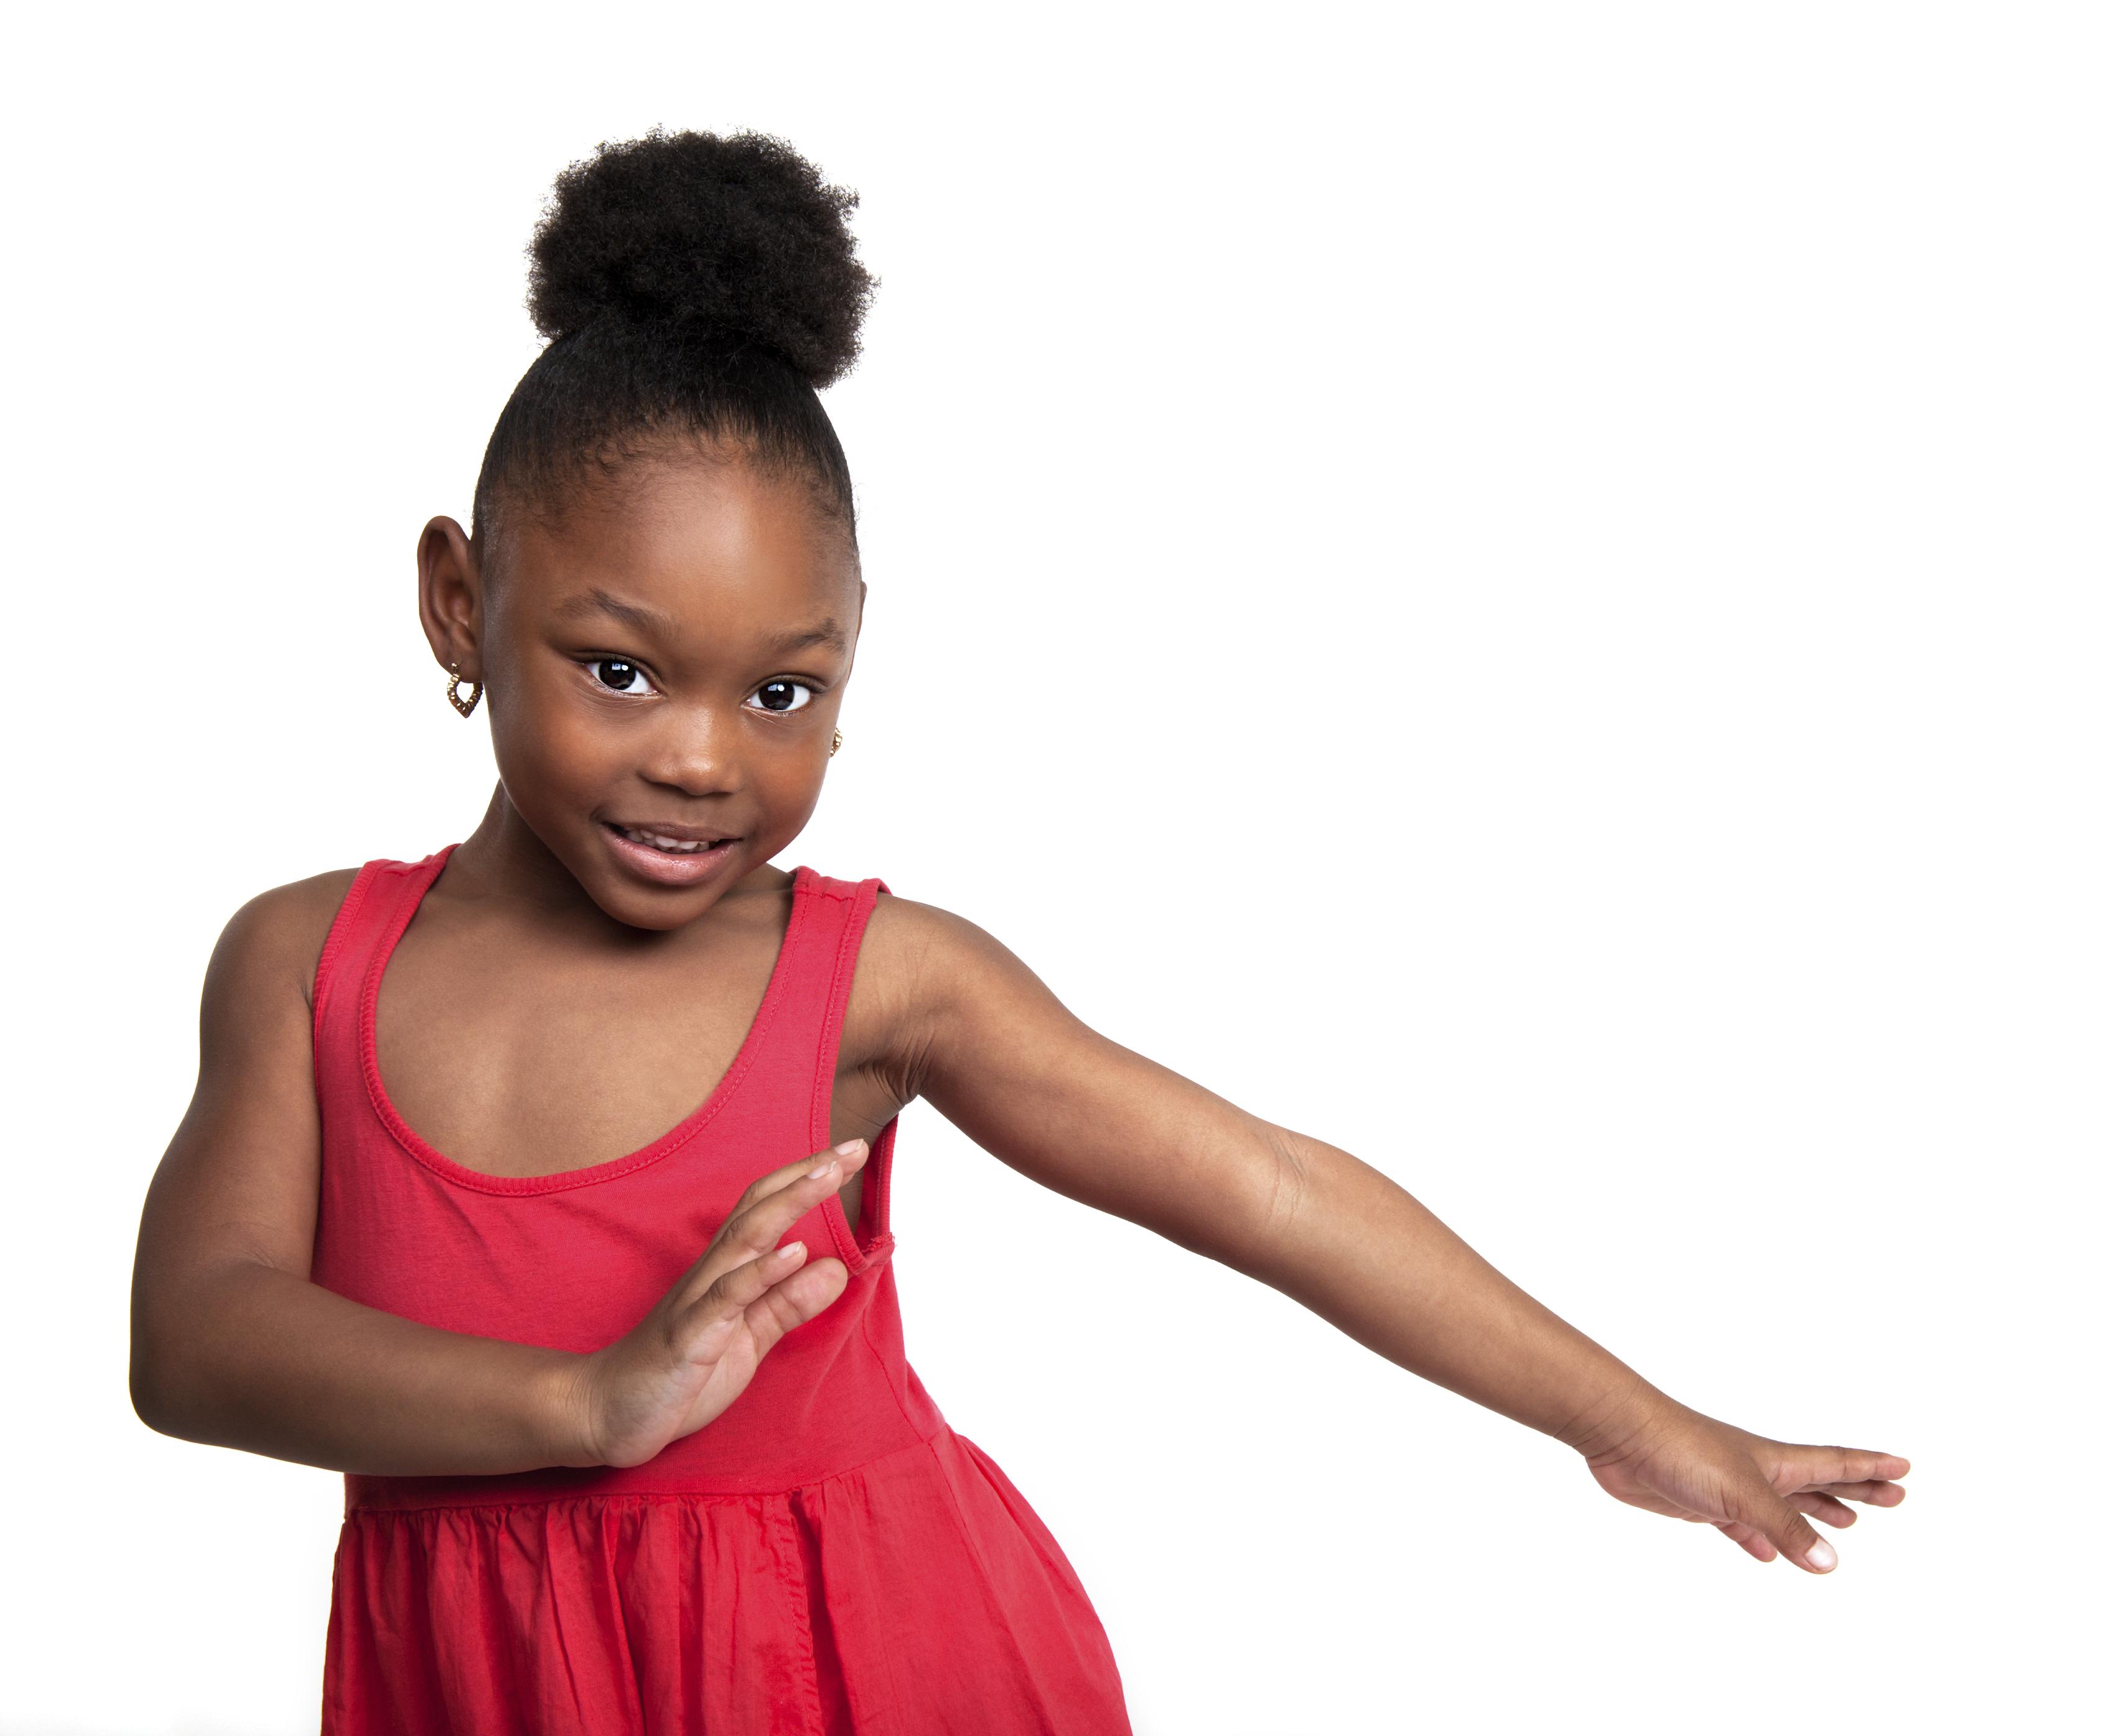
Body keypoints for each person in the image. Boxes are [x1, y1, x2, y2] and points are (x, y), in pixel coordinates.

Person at [128, 126, 1911, 1735]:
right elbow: (196, 1340)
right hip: (488, 1681)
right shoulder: (307, 964)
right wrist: (589, 1406)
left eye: (780, 690)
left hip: (862, 1668)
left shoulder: (880, 982)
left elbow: (1273, 1190)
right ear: (459, 602)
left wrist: (1634, 1425)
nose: (697, 753)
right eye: (616, 667)